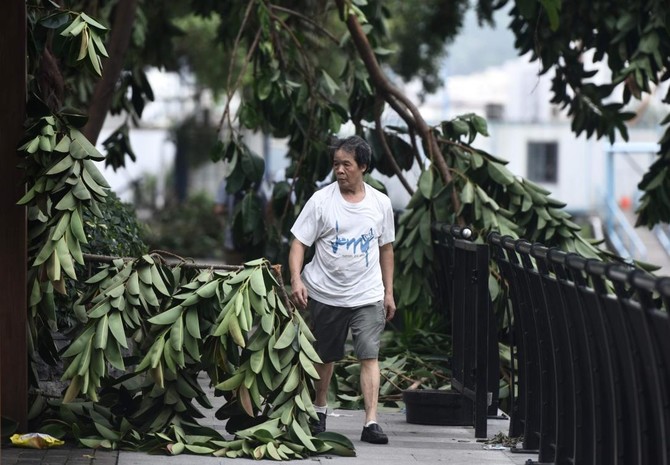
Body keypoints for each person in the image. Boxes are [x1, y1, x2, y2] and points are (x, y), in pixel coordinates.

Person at [288, 135, 396, 445]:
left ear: (363, 166)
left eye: (346, 164)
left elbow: (386, 249)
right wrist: (296, 279)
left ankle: (371, 422)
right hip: (326, 293)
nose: (339, 170)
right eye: (336, 164)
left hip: (367, 295)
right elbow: (299, 243)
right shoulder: (321, 201)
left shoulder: (380, 204)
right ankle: (319, 409)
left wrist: (388, 292)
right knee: (325, 355)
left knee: (369, 355)